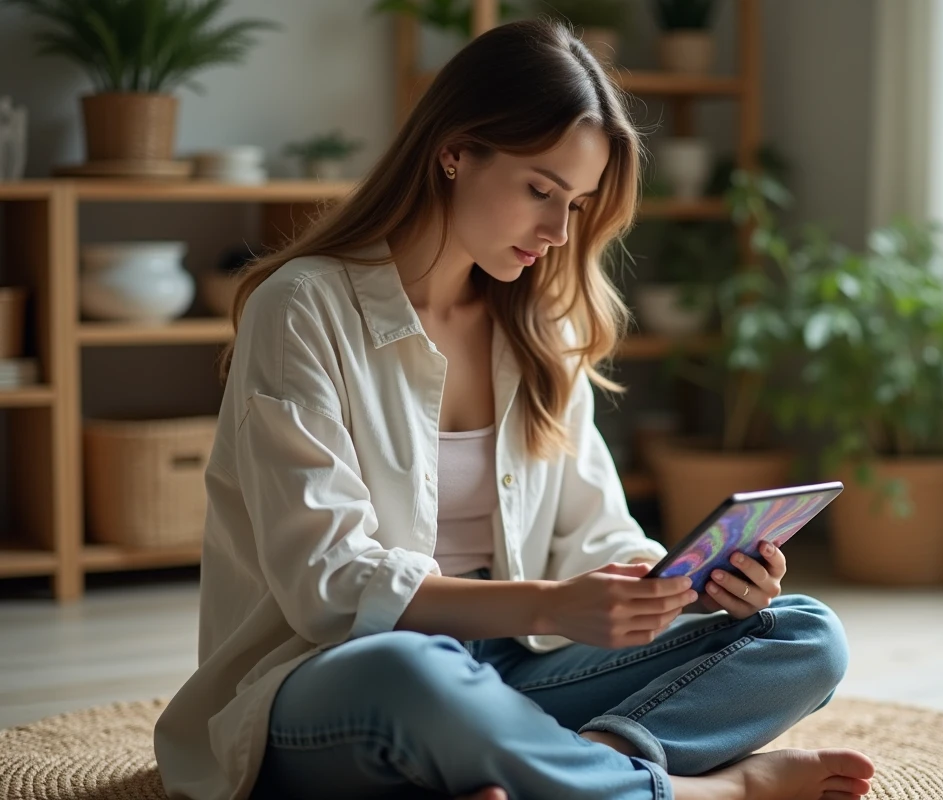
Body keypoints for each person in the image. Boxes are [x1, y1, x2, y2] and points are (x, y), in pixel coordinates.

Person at [152, 18, 874, 800]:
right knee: (414, 671)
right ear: (455, 151)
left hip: (513, 671)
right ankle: (714, 792)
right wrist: (552, 603)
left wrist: (685, 586)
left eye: (578, 203)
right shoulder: (305, 308)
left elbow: (593, 534)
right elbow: (326, 585)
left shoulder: (541, 327)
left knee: (803, 633)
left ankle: (574, 766)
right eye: (540, 189)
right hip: (332, 680)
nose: (559, 232)